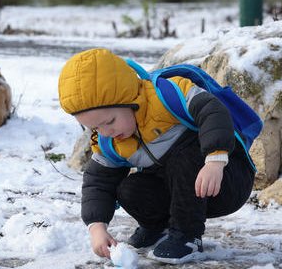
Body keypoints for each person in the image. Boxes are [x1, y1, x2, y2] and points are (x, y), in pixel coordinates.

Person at [57, 48, 255, 264]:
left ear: (129, 99)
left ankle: (187, 236)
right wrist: (96, 227)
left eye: (110, 121)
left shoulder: (167, 94)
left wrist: (215, 160)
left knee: (184, 156)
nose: (106, 132)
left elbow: (212, 111)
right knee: (128, 189)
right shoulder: (109, 141)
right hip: (180, 192)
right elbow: (98, 182)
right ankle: (157, 227)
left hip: (224, 179)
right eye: (95, 128)